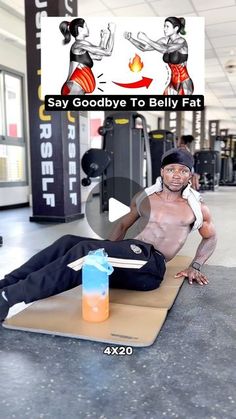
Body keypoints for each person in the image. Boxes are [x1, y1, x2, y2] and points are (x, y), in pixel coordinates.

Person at [0, 148, 217, 322]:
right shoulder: (145, 197)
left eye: (183, 170)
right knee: (68, 242)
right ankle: (6, 283)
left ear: (190, 175)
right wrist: (108, 249)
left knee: (86, 253)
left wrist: (195, 265)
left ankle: (8, 298)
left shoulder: (195, 207)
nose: (177, 175)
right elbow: (123, 225)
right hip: (132, 251)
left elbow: (211, 236)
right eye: (171, 169)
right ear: (162, 171)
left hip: (151, 266)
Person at [124, 16, 194, 95]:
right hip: (172, 83)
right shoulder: (164, 40)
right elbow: (145, 48)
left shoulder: (182, 42)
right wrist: (130, 39)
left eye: (167, 26)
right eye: (164, 26)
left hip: (184, 83)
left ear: (176, 28)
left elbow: (166, 49)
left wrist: (147, 39)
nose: (164, 29)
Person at [60, 18, 115, 95]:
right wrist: (112, 32)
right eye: (86, 26)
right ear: (80, 29)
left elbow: (98, 57)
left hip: (77, 88)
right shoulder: (79, 45)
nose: (88, 28)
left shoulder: (81, 47)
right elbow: (108, 52)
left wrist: (103, 39)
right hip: (73, 88)